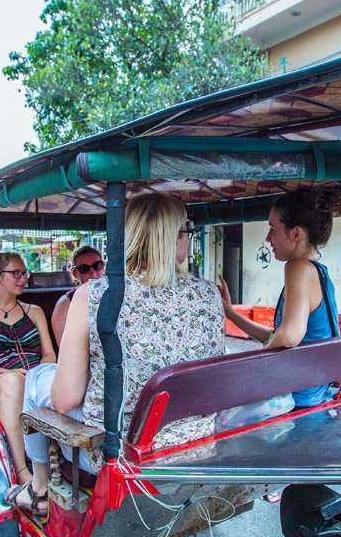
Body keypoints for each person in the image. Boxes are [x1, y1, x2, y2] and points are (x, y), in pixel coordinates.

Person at [16, 193, 224, 513]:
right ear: (173, 237)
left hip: (122, 452)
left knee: (34, 379)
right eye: (187, 230)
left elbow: (64, 400)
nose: (189, 238)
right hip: (194, 442)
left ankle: (39, 485)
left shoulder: (93, 295)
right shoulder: (209, 293)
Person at [219, 187, 341, 407]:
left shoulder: (297, 268)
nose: (268, 238)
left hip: (296, 401)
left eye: (272, 229)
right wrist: (231, 314)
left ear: (296, 234)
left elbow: (288, 336)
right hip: (313, 396)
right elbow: (277, 337)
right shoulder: (318, 272)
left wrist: (252, 369)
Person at [0, 252, 55, 512]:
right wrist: (8, 372)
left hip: (33, 376)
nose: (22, 278)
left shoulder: (34, 311)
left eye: (24, 273)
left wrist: (37, 372)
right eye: (16, 273)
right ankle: (22, 469)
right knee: (14, 382)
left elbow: (49, 353)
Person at [50, 245, 105, 344]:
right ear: (75, 273)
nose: (92, 272)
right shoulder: (65, 304)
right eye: (84, 268)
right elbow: (64, 348)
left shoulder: (115, 295)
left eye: (97, 266)